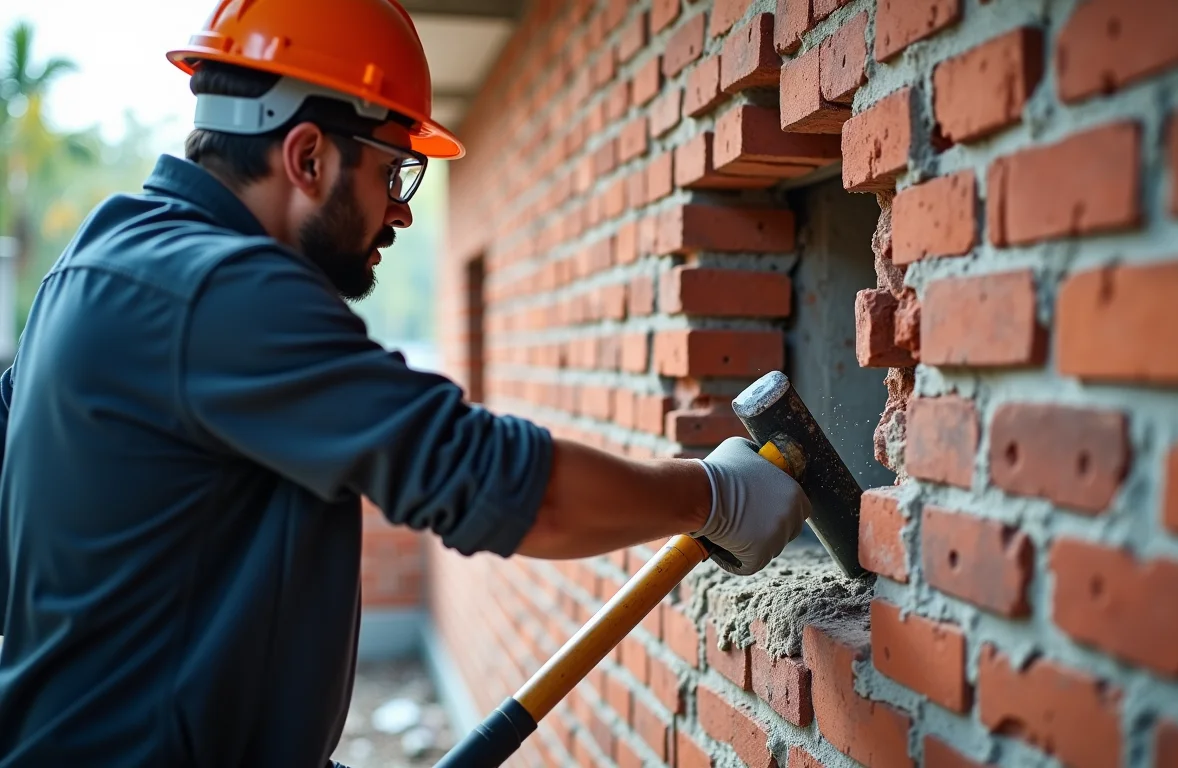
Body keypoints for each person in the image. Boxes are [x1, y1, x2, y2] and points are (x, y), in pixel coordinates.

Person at [0, 1, 810, 766]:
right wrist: (713, 498)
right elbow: (498, 483)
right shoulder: (224, 291)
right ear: (308, 157)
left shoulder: (93, 266)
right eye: (394, 173)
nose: (402, 212)